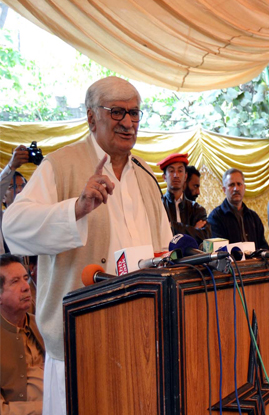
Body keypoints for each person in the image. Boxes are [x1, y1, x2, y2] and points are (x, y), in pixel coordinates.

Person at [2, 76, 173, 415]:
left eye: (135, 113)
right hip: (81, 344)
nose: (128, 122)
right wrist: (75, 209)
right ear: (91, 117)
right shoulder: (61, 165)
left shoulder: (145, 177)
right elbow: (13, 227)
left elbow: (166, 251)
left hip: (141, 339)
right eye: (117, 112)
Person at [0, 254, 45, 415]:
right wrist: (50, 408)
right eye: (15, 281)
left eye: (25, 278)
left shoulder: (42, 326)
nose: (26, 286)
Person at [207, 168, 269, 250]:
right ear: (224, 190)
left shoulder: (254, 217)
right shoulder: (215, 218)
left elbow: (263, 246)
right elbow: (219, 251)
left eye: (239, 184)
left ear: (244, 187)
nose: (236, 189)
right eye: (231, 185)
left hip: (256, 262)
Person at [158, 153, 211, 244]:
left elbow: (205, 236)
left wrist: (171, 226)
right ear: (164, 177)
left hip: (192, 257)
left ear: (185, 176)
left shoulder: (197, 209)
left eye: (180, 171)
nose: (176, 175)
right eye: (171, 171)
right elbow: (158, 234)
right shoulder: (158, 206)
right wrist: (193, 230)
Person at [1, 146, 29, 254]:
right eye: (12, 186)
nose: (19, 190)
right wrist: (11, 166)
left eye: (23, 185)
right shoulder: (2, 219)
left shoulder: (35, 216)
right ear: (3, 196)